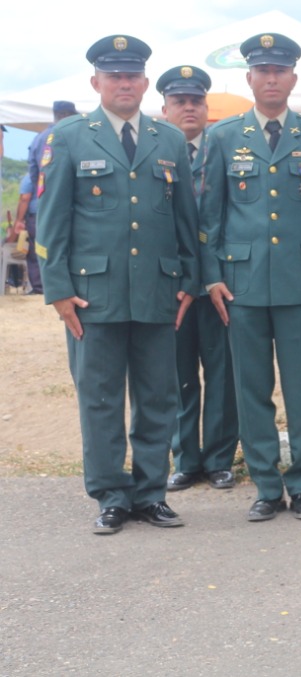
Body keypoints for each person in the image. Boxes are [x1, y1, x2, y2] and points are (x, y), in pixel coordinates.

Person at [36, 35, 199, 534]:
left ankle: (150, 494)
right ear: (96, 83)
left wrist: (190, 279)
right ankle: (110, 494)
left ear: (146, 84)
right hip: (93, 294)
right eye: (114, 76)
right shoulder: (68, 137)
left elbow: (184, 220)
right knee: (101, 397)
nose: (124, 84)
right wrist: (58, 290)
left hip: (157, 289)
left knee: (157, 396)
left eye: (132, 76)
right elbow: (51, 220)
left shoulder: (167, 139)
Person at [200, 33, 301, 523]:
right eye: (263, 70)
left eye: (281, 70)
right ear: (250, 79)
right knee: (250, 389)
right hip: (242, 285)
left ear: (294, 78)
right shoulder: (223, 136)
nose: (272, 78)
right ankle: (265, 484)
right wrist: (212, 276)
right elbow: (209, 215)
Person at [158, 65, 239, 492]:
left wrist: (212, 275)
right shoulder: (155, 151)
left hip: (220, 283)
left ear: (207, 108)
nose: (189, 108)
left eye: (196, 101)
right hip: (171, 286)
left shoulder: (224, 148)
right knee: (178, 374)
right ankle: (185, 458)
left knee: (223, 372)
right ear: (164, 108)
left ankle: (220, 457)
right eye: (180, 102)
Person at [17, 100, 79, 294]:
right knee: (72, 245)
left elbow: (33, 173)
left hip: (44, 203)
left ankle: (41, 287)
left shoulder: (39, 138)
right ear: (67, 115)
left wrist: (42, 191)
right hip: (72, 203)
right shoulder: (74, 135)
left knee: (42, 246)